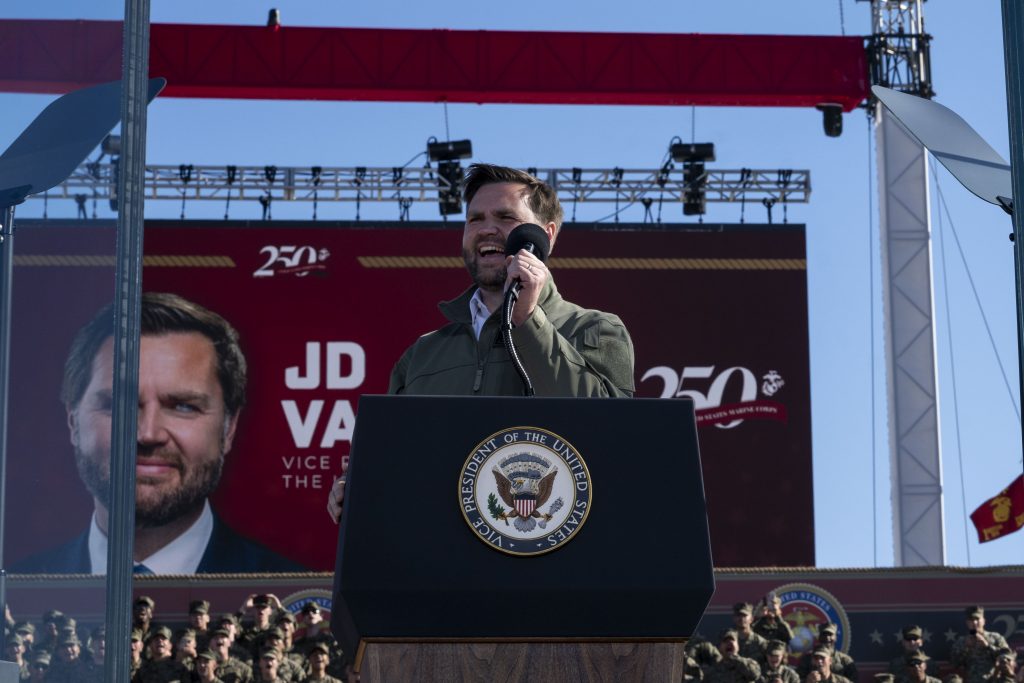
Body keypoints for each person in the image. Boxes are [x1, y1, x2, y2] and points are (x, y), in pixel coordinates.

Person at [327, 163, 635, 521]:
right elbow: (390, 455)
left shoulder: (596, 329)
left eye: (506, 217)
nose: (487, 229)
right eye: (474, 219)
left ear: (546, 235)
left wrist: (527, 320)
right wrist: (357, 485)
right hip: (439, 563)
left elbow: (614, 442)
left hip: (552, 558)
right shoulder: (423, 354)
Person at [12, 292, 304, 574]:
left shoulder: (295, 597)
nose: (148, 434)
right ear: (73, 421)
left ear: (229, 428)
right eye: (118, 405)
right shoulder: (11, 597)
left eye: (183, 407)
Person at [951, 606, 1010, 683]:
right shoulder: (962, 641)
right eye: (971, 620)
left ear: (984, 621)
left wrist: (988, 646)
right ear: (967, 623)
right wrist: (966, 648)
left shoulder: (995, 637)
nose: (975, 623)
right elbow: (954, 663)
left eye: (977, 619)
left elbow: (1007, 657)